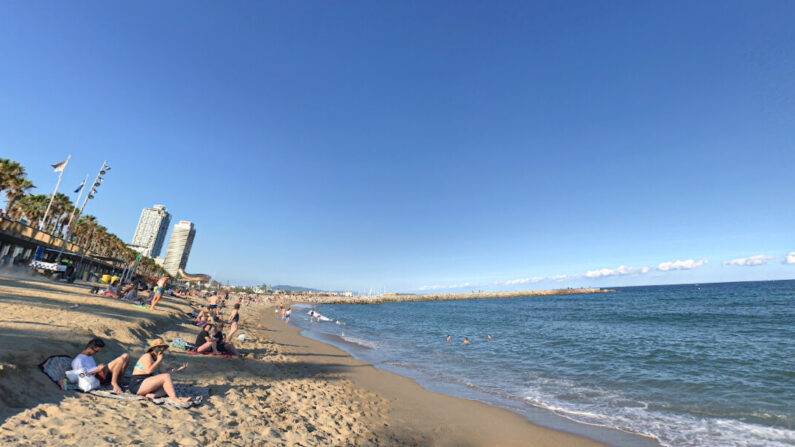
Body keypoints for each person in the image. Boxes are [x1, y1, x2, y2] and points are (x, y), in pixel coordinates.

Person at [128, 339, 190, 407]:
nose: (161, 350)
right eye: (160, 347)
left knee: (168, 386)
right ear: (154, 348)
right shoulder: (147, 356)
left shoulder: (156, 358)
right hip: (137, 384)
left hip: (144, 383)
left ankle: (152, 395)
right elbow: (148, 371)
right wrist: (158, 361)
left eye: (163, 348)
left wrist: (178, 369)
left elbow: (165, 374)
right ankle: (174, 398)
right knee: (166, 379)